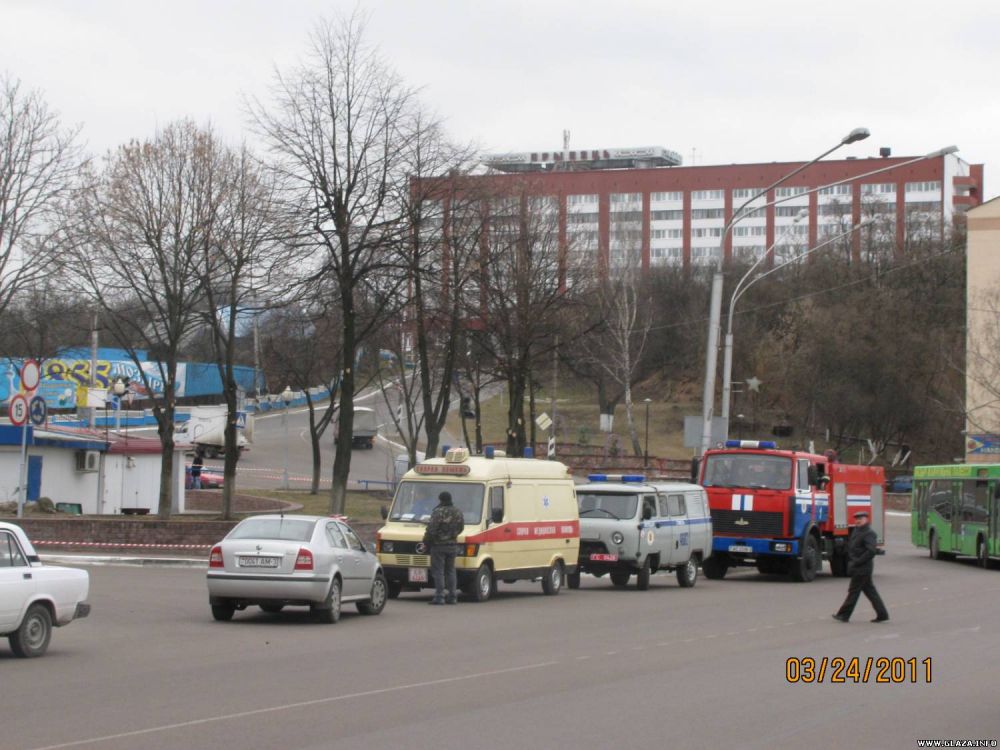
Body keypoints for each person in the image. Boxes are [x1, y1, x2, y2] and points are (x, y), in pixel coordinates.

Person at [833, 511, 889, 623]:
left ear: (866, 520)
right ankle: (882, 614)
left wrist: (858, 561)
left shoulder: (869, 533)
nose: (858, 521)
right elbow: (852, 547)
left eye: (861, 518)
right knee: (870, 592)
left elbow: (871, 551)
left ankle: (843, 615)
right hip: (858, 567)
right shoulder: (856, 531)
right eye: (856, 519)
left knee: (853, 591)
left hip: (863, 568)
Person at [424, 491, 466, 605]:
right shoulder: (458, 511)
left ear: (441, 499)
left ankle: (439, 596)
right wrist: (453, 536)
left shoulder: (438, 512)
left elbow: (431, 529)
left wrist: (426, 542)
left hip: (438, 546)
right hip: (452, 545)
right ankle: (452, 596)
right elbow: (461, 527)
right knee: (451, 571)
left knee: (438, 572)